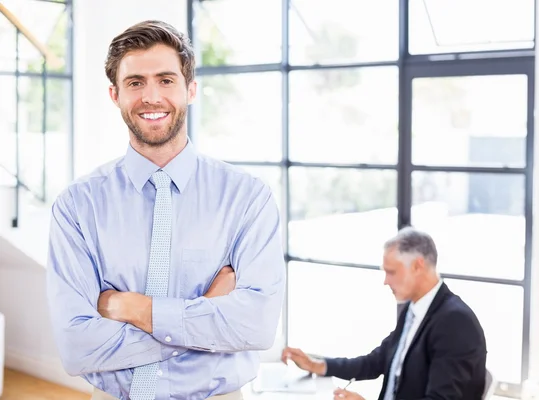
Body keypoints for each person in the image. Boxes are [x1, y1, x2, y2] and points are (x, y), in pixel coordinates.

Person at [46, 20, 286, 400]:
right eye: (135, 82)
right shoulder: (77, 206)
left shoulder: (247, 199)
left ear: (191, 89)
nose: (151, 96)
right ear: (115, 94)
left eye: (166, 80)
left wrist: (134, 308)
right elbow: (77, 348)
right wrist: (205, 313)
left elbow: (255, 326)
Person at [282, 227, 487, 400]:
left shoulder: (455, 323)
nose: (385, 281)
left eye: (392, 272)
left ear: (418, 266)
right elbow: (376, 361)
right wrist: (317, 365)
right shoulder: (414, 308)